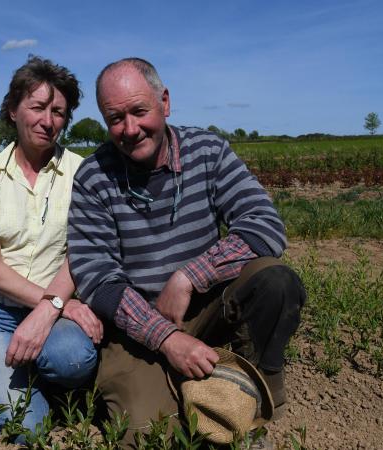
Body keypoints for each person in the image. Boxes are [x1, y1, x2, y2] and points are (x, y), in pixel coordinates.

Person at [67, 58, 306, 445]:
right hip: (134, 329)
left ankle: (251, 395)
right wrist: (167, 338)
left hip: (206, 307)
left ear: (165, 101)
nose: (130, 129)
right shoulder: (94, 176)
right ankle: (180, 388)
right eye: (115, 118)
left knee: (274, 280)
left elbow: (265, 224)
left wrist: (190, 276)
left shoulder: (206, 151)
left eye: (140, 111)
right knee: (149, 436)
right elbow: (98, 280)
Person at [0, 56, 102, 437]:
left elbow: (84, 250)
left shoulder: (83, 172)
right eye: (37, 107)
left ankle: (37, 373)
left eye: (58, 111)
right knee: (29, 432)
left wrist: (51, 310)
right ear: (12, 110)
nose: (47, 120)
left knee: (72, 360)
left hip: (56, 313)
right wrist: (56, 301)